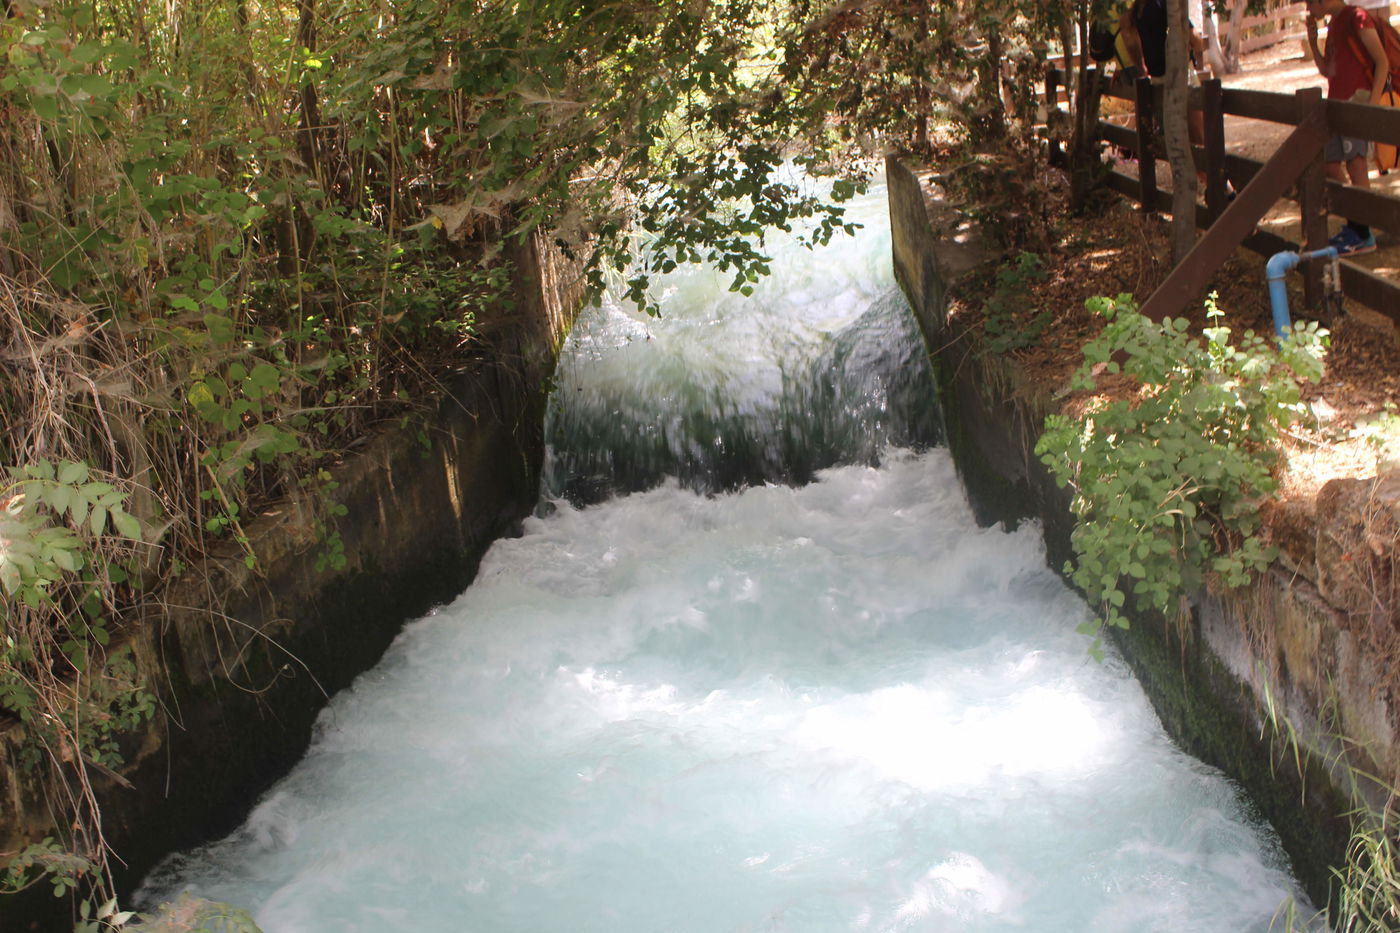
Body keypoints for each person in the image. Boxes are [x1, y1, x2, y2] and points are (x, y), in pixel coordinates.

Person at [1306, 0, 1391, 254]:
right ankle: (1356, 222)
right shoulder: (1334, 24)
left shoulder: (1357, 17)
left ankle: (1363, 233)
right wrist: (1313, 41)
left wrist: (1370, 107)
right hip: (1337, 106)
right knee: (1330, 164)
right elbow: (1327, 69)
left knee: (1356, 164)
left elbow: (1382, 62)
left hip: (1356, 102)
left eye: (1310, 3)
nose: (1309, 9)